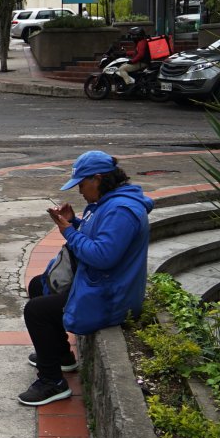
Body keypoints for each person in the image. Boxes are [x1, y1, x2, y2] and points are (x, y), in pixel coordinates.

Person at [19, 151, 154, 406]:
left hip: (110, 296)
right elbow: (101, 239)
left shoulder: (121, 210)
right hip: (99, 284)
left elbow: (103, 256)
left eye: (82, 184)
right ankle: (61, 356)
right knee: (39, 285)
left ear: (99, 178)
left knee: (36, 311)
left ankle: (52, 382)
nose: (80, 191)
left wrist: (69, 232)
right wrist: (76, 222)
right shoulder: (109, 202)